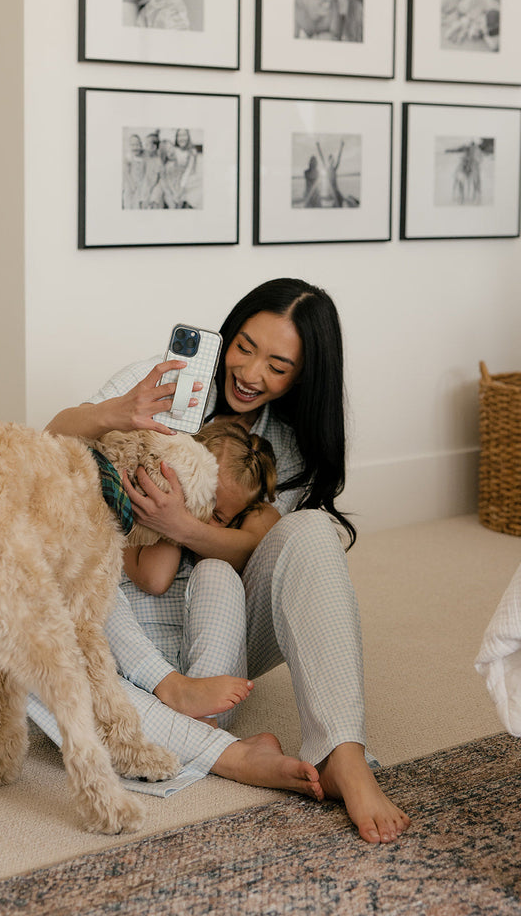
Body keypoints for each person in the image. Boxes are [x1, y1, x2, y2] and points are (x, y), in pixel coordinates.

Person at [45, 279, 411, 844]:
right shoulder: (161, 382)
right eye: (244, 347)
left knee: (310, 530)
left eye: (278, 366)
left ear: (302, 376)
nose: (251, 373)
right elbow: (48, 442)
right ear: (228, 335)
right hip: (113, 626)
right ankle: (233, 754)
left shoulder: (285, 445)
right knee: (26, 636)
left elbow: (265, 546)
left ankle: (343, 752)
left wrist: (184, 527)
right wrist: (120, 411)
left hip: (216, 631)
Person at [114, 418, 279, 730]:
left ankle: (199, 725)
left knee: (217, 571)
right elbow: (155, 579)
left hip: (206, 689)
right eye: (200, 497)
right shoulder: (138, 520)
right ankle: (199, 737)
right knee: (91, 580)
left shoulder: (242, 528)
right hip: (137, 678)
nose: (201, 515)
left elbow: (261, 537)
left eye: (216, 514)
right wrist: (176, 510)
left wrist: (183, 524)